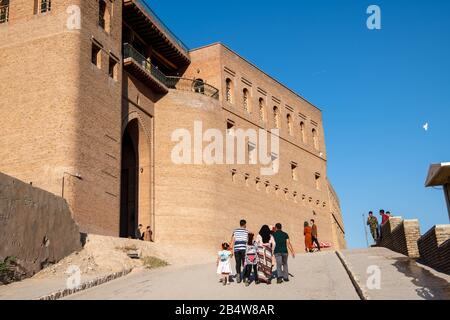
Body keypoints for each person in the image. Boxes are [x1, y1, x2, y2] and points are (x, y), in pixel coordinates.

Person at [230, 219, 249, 284]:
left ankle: (238, 274)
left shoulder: (235, 231)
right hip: (244, 249)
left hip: (236, 249)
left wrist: (231, 250)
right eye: (245, 224)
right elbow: (247, 240)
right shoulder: (246, 231)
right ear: (244, 224)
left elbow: (233, 240)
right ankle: (244, 276)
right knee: (244, 263)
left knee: (238, 263)